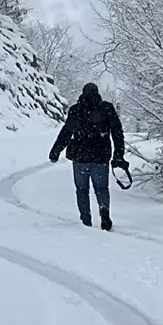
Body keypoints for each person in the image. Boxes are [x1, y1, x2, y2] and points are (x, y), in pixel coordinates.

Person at [49, 82, 128, 231]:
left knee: (82, 189)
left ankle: (86, 220)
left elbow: (66, 133)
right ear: (98, 93)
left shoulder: (76, 110)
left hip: (80, 158)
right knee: (102, 188)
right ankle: (104, 208)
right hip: (101, 157)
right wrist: (119, 154)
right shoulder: (107, 109)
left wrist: (56, 151)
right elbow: (117, 133)